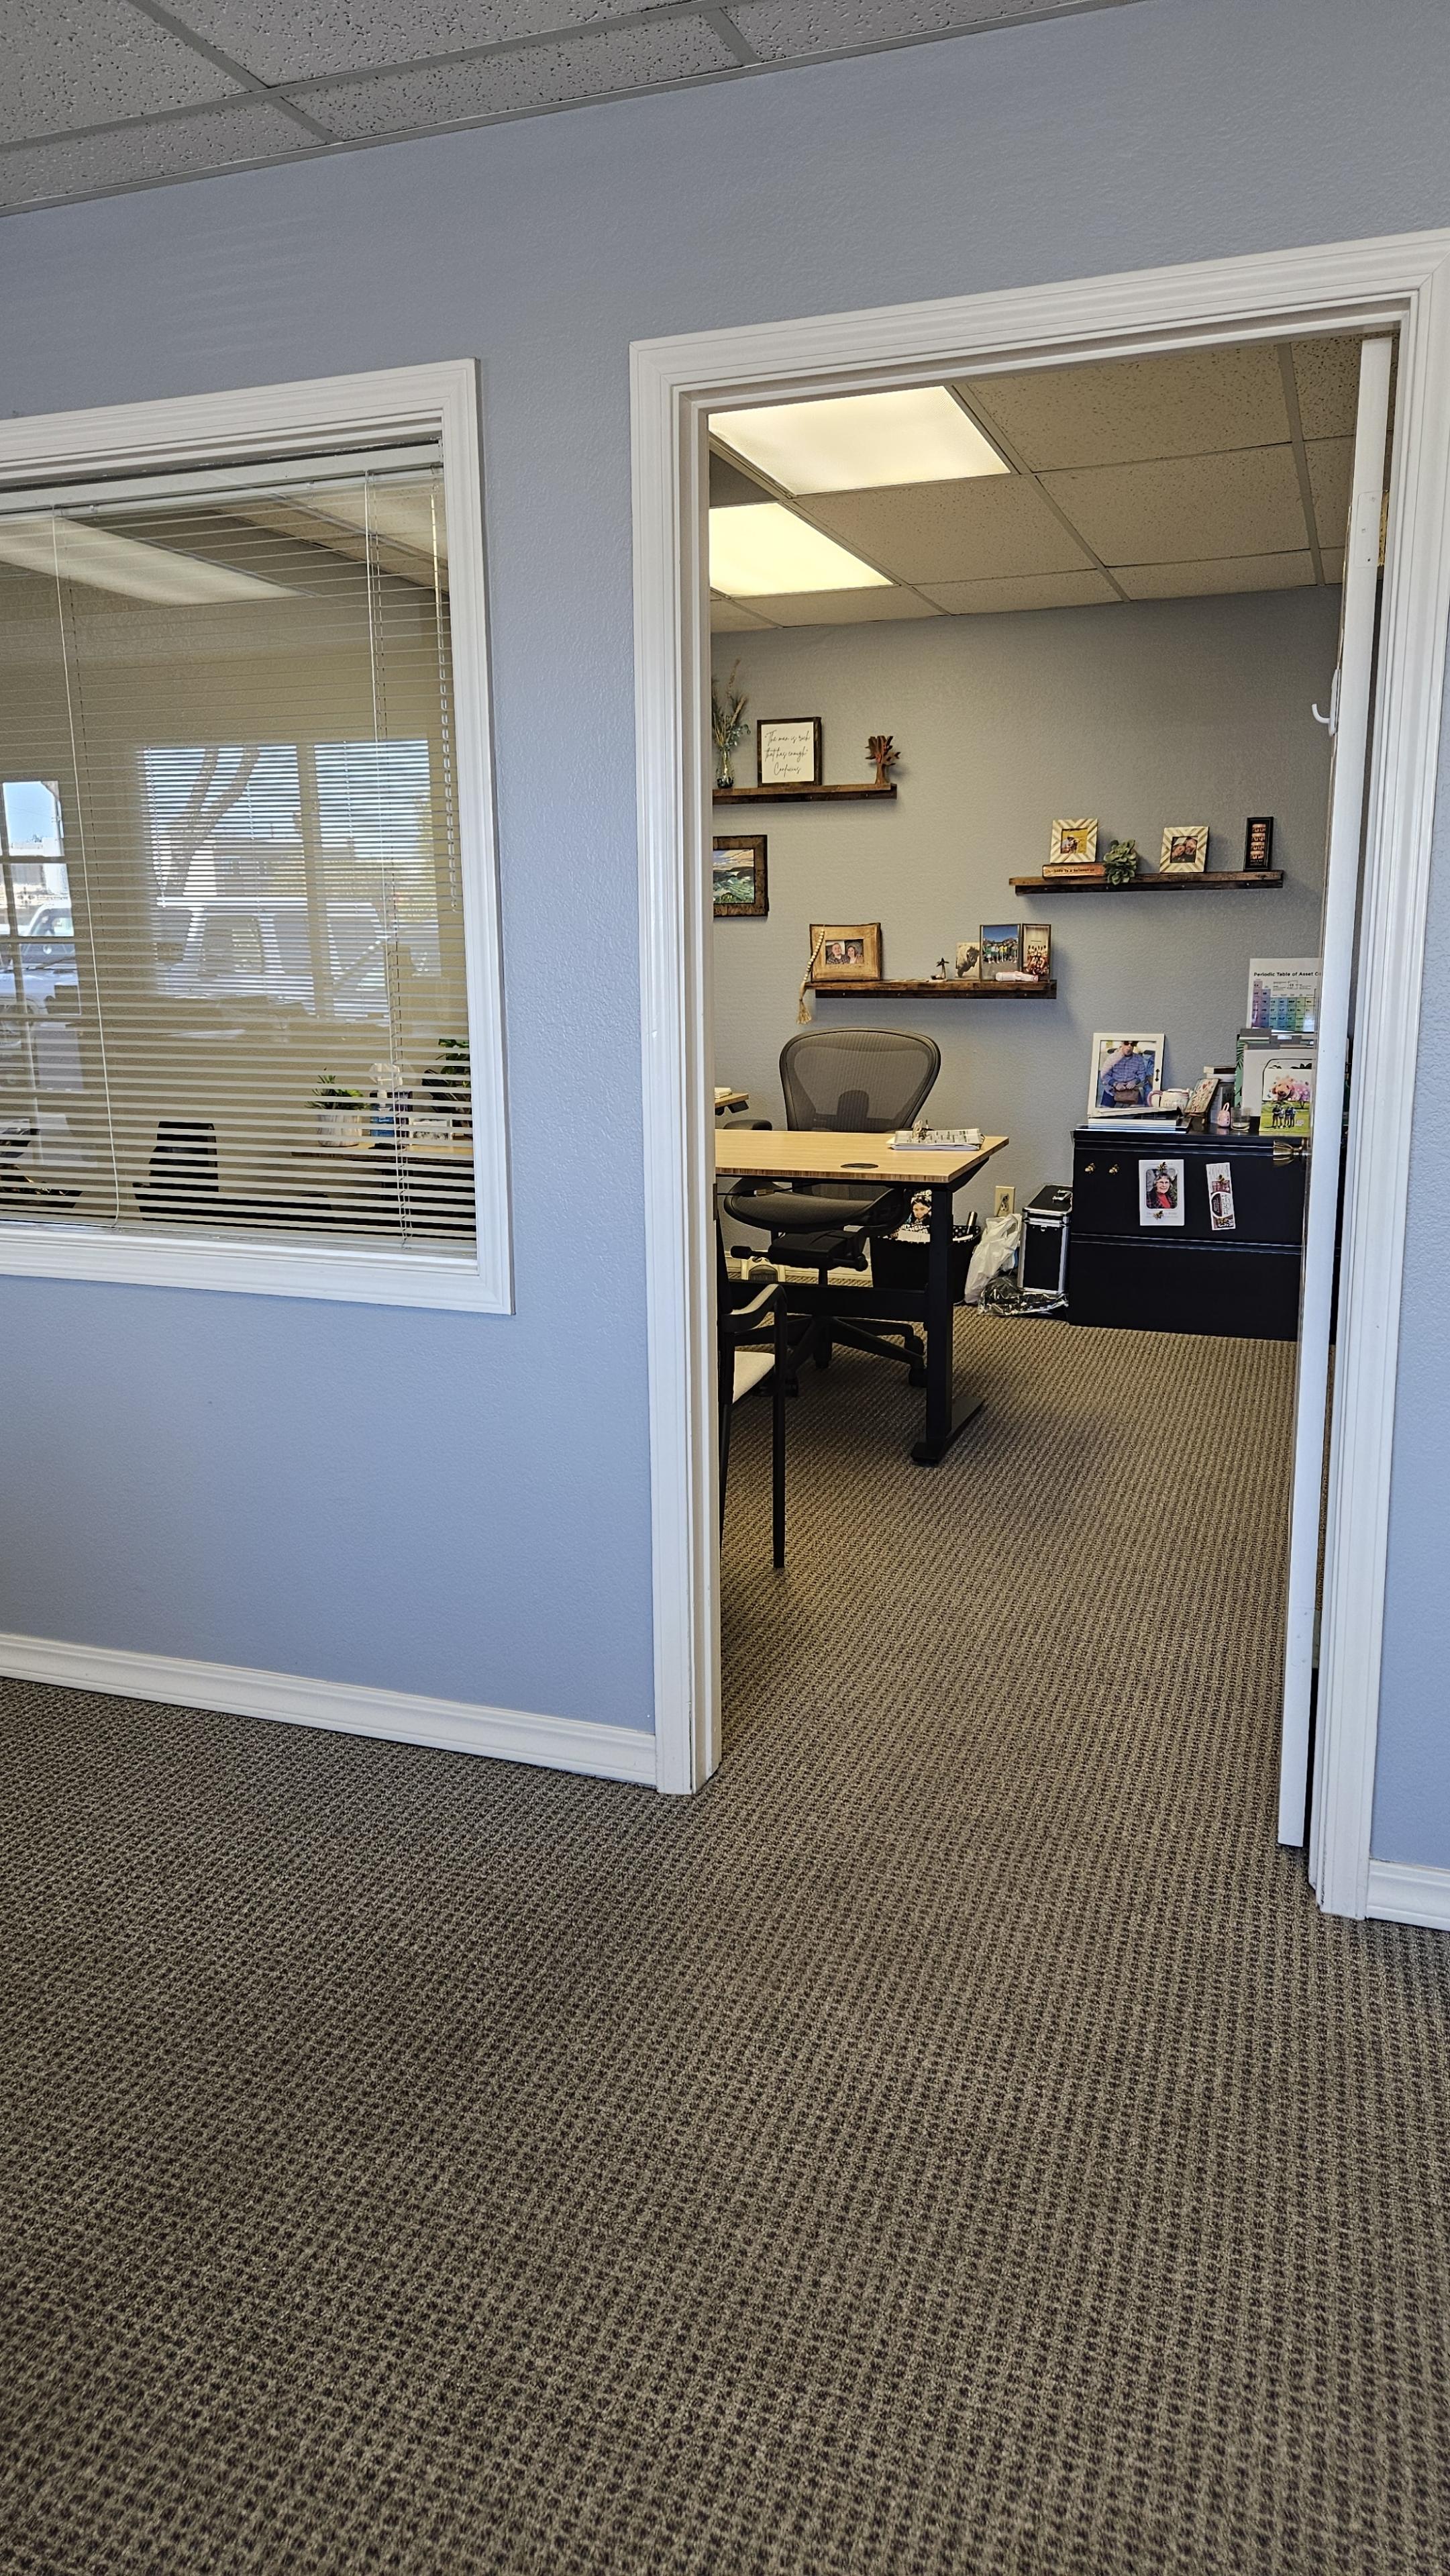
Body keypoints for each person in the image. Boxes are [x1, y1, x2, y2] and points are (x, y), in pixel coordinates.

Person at [1096, 1038, 1155, 1108]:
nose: (1129, 1046)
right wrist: (1115, 1083)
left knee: (1140, 1111)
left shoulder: (1139, 1059)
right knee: (1103, 1111)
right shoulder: (1112, 1058)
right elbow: (1104, 1074)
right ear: (1122, 1044)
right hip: (1112, 1091)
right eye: (1126, 1043)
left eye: (1132, 1044)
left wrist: (1135, 1082)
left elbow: (1142, 1074)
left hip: (1131, 1091)